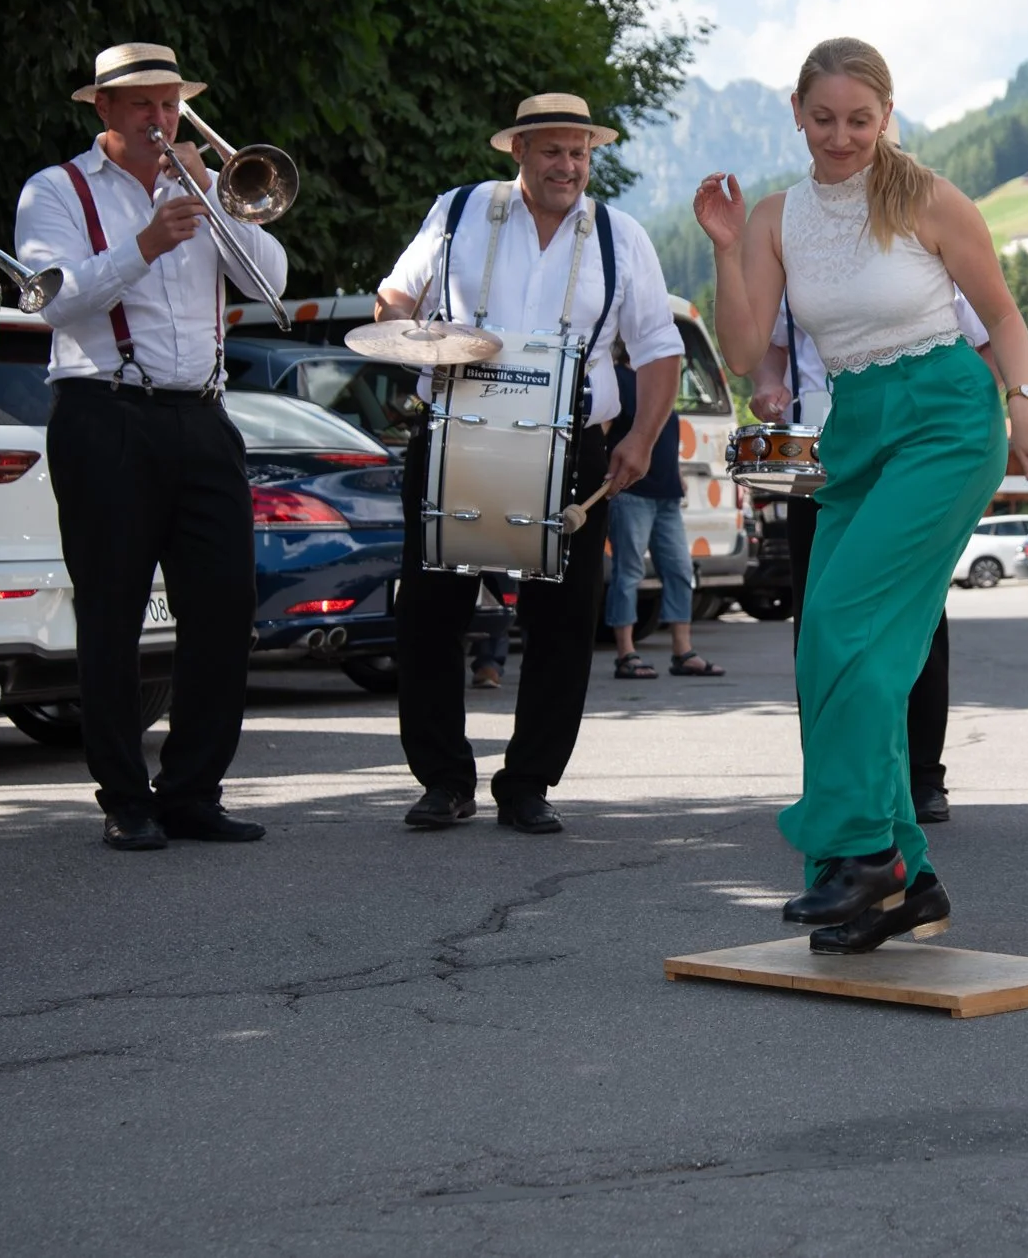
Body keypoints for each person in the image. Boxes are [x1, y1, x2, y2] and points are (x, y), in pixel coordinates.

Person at [696, 36, 1028, 953]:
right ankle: (908, 882)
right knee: (824, 643)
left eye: (860, 121)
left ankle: (861, 853)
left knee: (848, 632)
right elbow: (747, 356)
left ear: (887, 118)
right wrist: (723, 248)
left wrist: (1021, 402)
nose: (841, 137)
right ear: (797, 112)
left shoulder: (925, 198)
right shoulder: (775, 220)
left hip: (947, 419)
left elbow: (1001, 314)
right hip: (856, 432)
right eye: (824, 119)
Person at [376, 93, 684, 836]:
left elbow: (658, 348)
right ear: (518, 151)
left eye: (579, 152)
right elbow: (394, 296)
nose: (568, 166)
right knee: (430, 611)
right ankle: (444, 780)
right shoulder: (458, 212)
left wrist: (640, 439)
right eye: (552, 151)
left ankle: (529, 784)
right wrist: (411, 338)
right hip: (458, 434)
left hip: (575, 445)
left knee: (562, 621)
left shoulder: (621, 234)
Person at [14, 43, 287, 853]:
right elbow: (55, 303)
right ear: (102, 109)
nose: (160, 120)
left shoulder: (199, 185)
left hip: (201, 417)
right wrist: (145, 243)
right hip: (106, 413)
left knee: (224, 607)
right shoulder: (53, 190)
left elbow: (267, 282)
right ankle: (124, 796)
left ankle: (194, 788)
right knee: (111, 612)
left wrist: (217, 196)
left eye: (169, 104)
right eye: (141, 105)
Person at [750, 291, 993, 822]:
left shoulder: (914, 239)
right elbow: (771, 348)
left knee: (911, 612)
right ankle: (830, 777)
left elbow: (987, 341)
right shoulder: (796, 246)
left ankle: (922, 776)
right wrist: (769, 383)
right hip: (816, 459)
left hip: (904, 451)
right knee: (816, 620)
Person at [607, 344, 723, 679]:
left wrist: (678, 475)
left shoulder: (657, 381)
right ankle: (626, 653)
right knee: (628, 572)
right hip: (632, 492)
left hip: (667, 493)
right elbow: (606, 429)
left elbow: (662, 438)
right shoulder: (619, 379)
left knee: (680, 570)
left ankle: (682, 651)